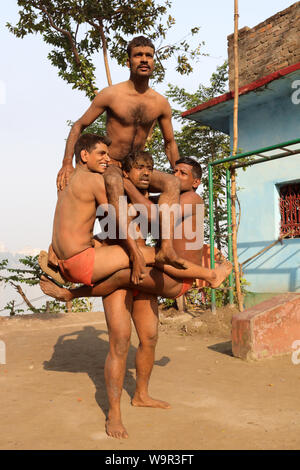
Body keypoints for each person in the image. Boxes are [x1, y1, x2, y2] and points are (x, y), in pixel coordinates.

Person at [40, 149, 231, 439]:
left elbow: (156, 218)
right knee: (120, 340)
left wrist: (129, 182)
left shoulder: (166, 200)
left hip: (145, 270)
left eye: (151, 168)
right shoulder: (111, 191)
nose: (153, 173)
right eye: (141, 168)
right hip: (122, 266)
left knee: (150, 336)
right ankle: (114, 414)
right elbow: (84, 218)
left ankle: (141, 394)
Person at [56, 35, 186, 281]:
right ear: (129, 62)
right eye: (139, 56)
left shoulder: (160, 103)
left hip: (138, 166)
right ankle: (134, 252)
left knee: (172, 184)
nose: (144, 60)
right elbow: (79, 125)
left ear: (154, 61)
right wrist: (67, 163)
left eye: (149, 55)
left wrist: (178, 170)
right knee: (115, 184)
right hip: (114, 165)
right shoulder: (111, 95)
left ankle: (165, 247)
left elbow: (170, 143)